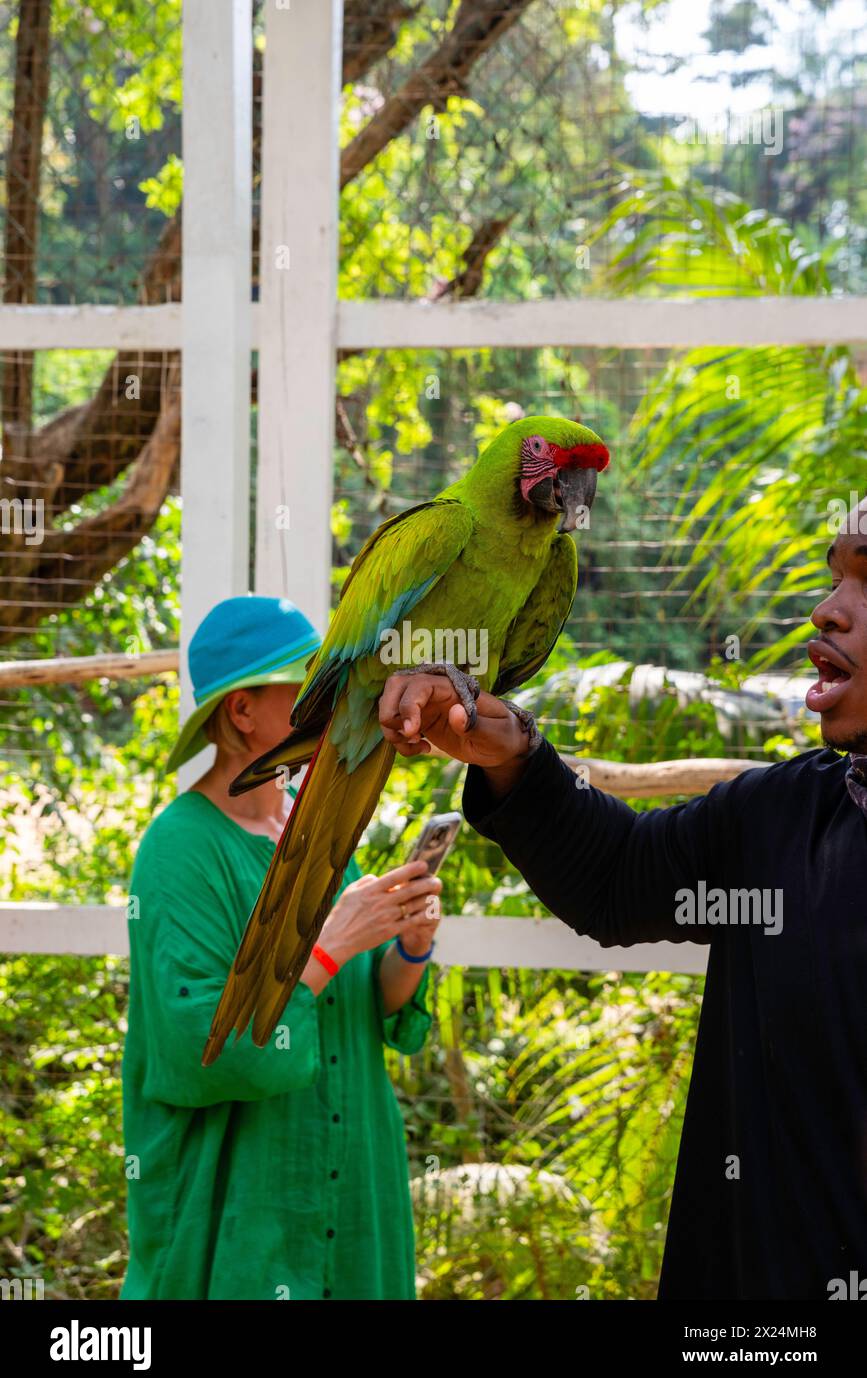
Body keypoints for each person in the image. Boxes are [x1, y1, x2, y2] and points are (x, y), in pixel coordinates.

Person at [378, 497, 867, 1301]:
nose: (825, 611)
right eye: (833, 577)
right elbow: (613, 879)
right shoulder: (779, 816)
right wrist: (513, 755)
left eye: (865, 583)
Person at [122, 595, 442, 1300]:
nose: (338, 706)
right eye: (311, 690)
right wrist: (327, 950)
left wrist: (409, 947)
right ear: (241, 712)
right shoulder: (178, 850)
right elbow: (198, 1048)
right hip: (240, 1207)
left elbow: (358, 1007)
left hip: (354, 1173)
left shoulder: (316, 827)